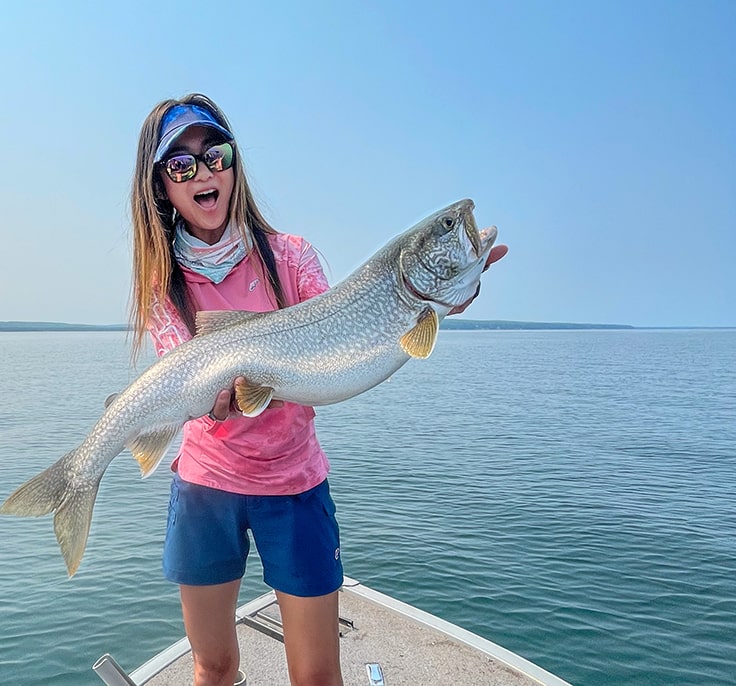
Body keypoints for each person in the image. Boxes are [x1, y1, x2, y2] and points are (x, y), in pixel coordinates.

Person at [128, 93, 506, 686]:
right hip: (204, 489)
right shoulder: (164, 286)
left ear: (235, 164)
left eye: (216, 154)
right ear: (162, 187)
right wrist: (217, 401)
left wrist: (446, 299)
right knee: (214, 667)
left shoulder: (293, 256)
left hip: (294, 486)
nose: (204, 172)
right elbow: (189, 389)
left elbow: (339, 342)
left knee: (316, 678)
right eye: (182, 164)